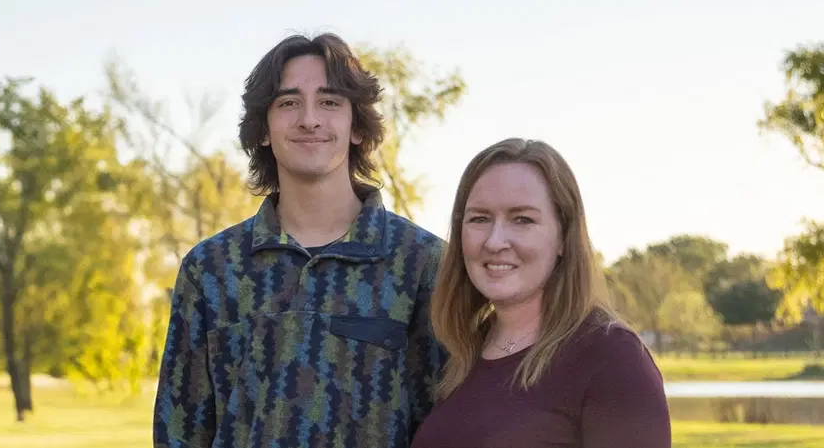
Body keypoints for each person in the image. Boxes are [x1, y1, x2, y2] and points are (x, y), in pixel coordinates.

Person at [153, 33, 446, 448]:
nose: (309, 119)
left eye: (330, 102)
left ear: (357, 127)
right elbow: (179, 433)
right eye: (289, 103)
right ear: (264, 130)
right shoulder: (211, 270)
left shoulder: (423, 263)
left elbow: (448, 424)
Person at [410, 138, 671, 448]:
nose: (495, 241)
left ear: (564, 237)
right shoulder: (463, 354)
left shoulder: (611, 359)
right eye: (479, 218)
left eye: (522, 219)